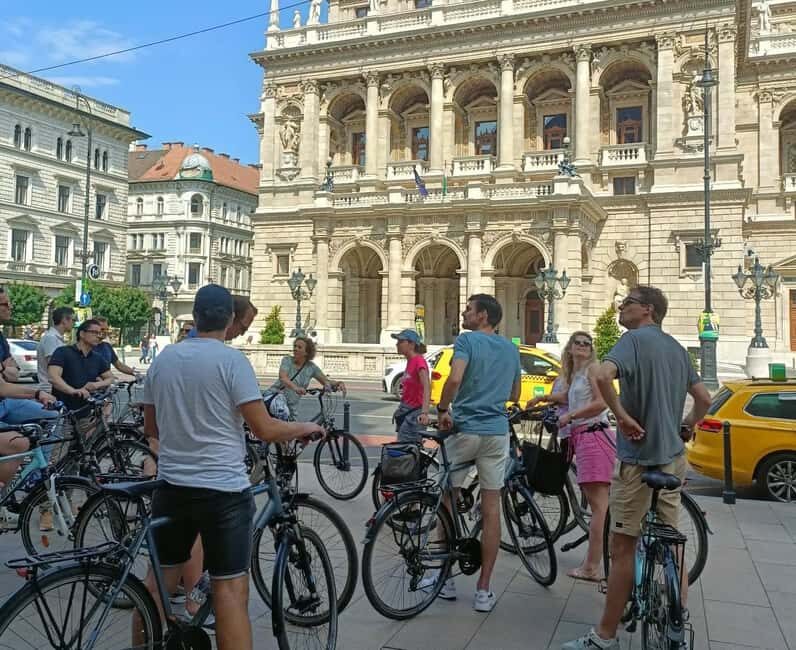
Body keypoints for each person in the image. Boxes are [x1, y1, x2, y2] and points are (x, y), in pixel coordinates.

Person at [134, 284, 324, 650]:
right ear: (230, 320)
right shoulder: (231, 361)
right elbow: (264, 428)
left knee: (156, 586)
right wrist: (305, 427)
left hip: (172, 487)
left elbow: (151, 429)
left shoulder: (164, 359)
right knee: (230, 590)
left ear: (196, 314)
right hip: (223, 492)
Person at [563, 286, 712, 650]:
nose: (620, 307)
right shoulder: (677, 348)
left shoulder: (632, 341)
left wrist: (623, 417)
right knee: (672, 536)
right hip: (673, 457)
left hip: (638, 459)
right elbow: (704, 398)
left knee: (624, 545)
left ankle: (605, 635)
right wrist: (688, 424)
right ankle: (677, 612)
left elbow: (600, 375)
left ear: (646, 310)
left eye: (626, 302)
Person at [430, 294, 521, 612]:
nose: (464, 313)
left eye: (469, 310)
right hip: (496, 433)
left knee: (446, 499)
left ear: (483, 316)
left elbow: (454, 378)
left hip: (465, 428)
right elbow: (515, 393)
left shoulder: (467, 341)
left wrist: (443, 407)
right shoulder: (511, 347)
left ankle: (445, 579)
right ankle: (483, 590)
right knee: (492, 508)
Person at [541, 331, 614, 581]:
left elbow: (602, 402)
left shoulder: (593, 370)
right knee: (601, 504)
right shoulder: (578, 374)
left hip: (593, 437)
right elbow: (569, 396)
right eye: (577, 343)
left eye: (587, 343)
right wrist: (544, 398)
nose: (582, 346)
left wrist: (570, 416)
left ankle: (592, 567)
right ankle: (604, 558)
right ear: (570, 348)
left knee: (598, 507)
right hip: (584, 437)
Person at [0, 289, 60, 426]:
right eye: (6, 304)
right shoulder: (50, 338)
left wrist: (3, 368)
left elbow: (14, 374)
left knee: (57, 415)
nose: (11, 307)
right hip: (5, 399)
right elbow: (2, 386)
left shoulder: (1, 338)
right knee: (21, 441)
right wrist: (38, 394)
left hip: (6, 401)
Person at [265, 335, 345, 420]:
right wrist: (296, 388)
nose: (295, 349)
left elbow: (325, 381)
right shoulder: (287, 360)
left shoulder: (311, 367)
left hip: (292, 407)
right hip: (276, 399)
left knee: (293, 429)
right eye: (295, 346)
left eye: (299, 347)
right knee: (283, 422)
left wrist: (338, 383)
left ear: (307, 352)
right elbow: (283, 377)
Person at [48, 319, 115, 413]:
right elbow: (53, 377)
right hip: (63, 413)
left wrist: (96, 385)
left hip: (86, 412)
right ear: (82, 334)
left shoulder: (97, 358)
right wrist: (73, 391)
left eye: (100, 333)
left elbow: (110, 378)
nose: (99, 336)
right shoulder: (63, 352)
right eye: (95, 332)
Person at [391, 329, 430, 443]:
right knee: (406, 451)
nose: (397, 344)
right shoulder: (410, 361)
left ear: (411, 344)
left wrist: (424, 413)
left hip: (414, 415)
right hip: (406, 412)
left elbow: (427, 387)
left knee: (406, 451)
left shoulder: (419, 362)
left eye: (400, 341)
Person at [37, 306, 75, 391]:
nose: (74, 323)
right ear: (64, 320)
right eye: (73, 320)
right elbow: (54, 365)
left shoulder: (56, 338)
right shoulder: (51, 338)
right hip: (50, 390)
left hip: (55, 388)